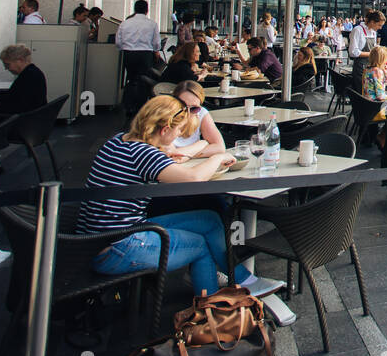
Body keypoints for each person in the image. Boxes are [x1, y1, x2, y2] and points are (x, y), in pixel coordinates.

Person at [75, 96, 257, 297]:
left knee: (209, 219)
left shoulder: (118, 140)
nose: (179, 136)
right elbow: (194, 178)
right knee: (200, 246)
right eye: (179, 131)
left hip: (96, 239)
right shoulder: (145, 154)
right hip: (115, 249)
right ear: (164, 130)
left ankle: (241, 278)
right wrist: (218, 157)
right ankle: (210, 313)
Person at [0, 44, 48, 118]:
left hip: (23, 120)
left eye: (7, 64)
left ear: (19, 60)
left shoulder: (29, 76)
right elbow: (15, 97)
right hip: (31, 118)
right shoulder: (32, 72)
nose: (6, 68)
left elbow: (17, 107)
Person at [166, 81, 225, 159]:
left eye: (194, 108)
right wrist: (201, 144)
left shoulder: (201, 113)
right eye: (182, 106)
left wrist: (187, 156)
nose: (187, 112)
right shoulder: (165, 115)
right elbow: (171, 156)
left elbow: (219, 147)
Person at [117, 0, 163, 83]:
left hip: (129, 54)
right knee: (144, 78)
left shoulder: (125, 23)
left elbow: (118, 41)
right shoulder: (152, 24)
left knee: (131, 76)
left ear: (135, 9)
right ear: (147, 10)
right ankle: (141, 94)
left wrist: (122, 49)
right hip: (145, 54)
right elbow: (156, 42)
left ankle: (130, 92)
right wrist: (156, 51)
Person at [348, 11, 382, 91]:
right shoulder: (357, 30)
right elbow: (353, 52)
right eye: (379, 25)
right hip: (360, 68)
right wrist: (371, 54)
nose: (380, 28)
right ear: (372, 22)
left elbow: (373, 46)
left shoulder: (373, 32)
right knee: (361, 93)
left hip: (371, 67)